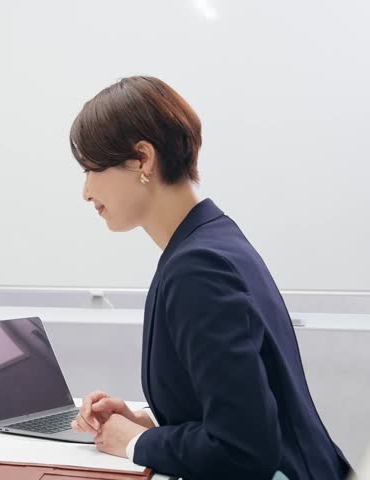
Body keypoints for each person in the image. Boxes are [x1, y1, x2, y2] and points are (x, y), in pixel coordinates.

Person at [66, 76, 351, 480]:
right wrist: (145, 422)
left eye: (91, 169)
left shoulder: (197, 267)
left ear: (143, 159)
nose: (85, 191)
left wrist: (133, 442)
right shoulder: (213, 238)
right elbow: (233, 412)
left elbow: (241, 450)